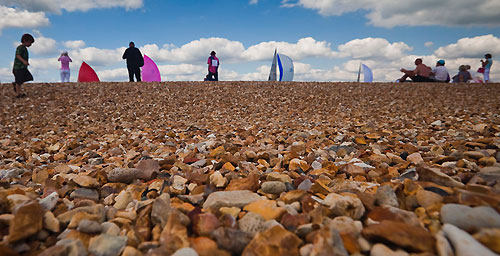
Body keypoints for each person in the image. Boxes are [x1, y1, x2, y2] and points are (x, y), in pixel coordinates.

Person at [12, 34, 35, 98]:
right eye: (30, 42)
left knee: (28, 77)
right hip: (18, 68)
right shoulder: (20, 47)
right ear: (25, 41)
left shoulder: (24, 48)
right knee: (19, 81)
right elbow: (18, 55)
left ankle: (15, 84)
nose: (31, 44)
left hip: (23, 68)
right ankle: (18, 94)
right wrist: (23, 61)